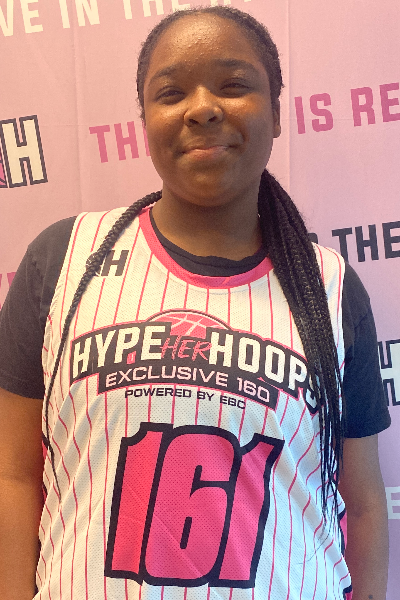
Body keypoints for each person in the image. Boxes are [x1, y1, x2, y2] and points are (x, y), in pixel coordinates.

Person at [0, 6, 390, 600]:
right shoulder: (63, 261)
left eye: (233, 85)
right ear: (144, 121)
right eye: (171, 92)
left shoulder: (330, 289)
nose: (203, 108)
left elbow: (361, 506)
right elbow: (14, 475)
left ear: (276, 112)